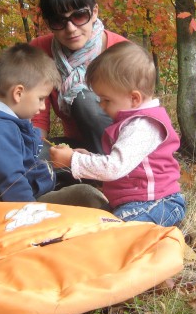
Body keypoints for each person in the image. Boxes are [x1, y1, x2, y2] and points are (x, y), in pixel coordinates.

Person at [49, 42, 186, 227]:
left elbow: (114, 167)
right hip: (136, 204)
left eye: (106, 100)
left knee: (112, 230)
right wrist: (89, 157)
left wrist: (73, 160)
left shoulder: (143, 125)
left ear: (134, 98)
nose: (101, 105)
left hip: (158, 204)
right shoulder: (132, 122)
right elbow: (121, 161)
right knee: (97, 223)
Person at [0, 43, 109, 210]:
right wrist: (31, 216)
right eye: (40, 98)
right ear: (18, 93)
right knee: (88, 197)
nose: (43, 107)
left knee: (84, 190)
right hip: (8, 210)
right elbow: (12, 181)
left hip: (26, 198)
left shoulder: (9, 124)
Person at [30, 0, 128, 156]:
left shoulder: (121, 52)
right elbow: (37, 118)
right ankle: (85, 172)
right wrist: (34, 155)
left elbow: (139, 117)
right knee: (28, 157)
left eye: (79, 16)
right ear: (49, 23)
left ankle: (108, 175)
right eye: (59, 20)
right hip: (78, 148)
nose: (71, 28)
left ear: (94, 12)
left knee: (83, 98)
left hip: (121, 151)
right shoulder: (40, 50)